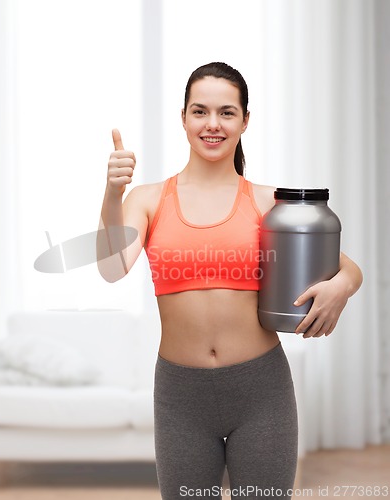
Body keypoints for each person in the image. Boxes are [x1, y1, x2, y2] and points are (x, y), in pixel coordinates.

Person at [97, 62, 363, 499]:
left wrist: (342, 286)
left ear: (244, 120)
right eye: (200, 111)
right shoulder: (147, 199)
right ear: (183, 118)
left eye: (226, 112)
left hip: (261, 392)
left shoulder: (266, 202)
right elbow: (111, 267)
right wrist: (112, 193)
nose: (212, 124)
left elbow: (346, 265)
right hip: (181, 395)